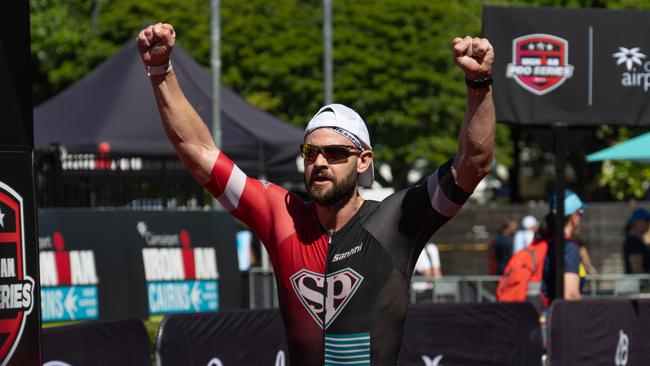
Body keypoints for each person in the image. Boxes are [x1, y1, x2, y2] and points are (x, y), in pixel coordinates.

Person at [137, 23, 495, 365]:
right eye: (310, 153)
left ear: (363, 161)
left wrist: (479, 83)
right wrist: (160, 71)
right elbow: (198, 151)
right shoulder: (281, 214)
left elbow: (473, 163)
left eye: (336, 153)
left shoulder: (395, 221)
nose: (320, 162)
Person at [541, 190, 586, 303]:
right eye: (581, 212)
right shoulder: (568, 248)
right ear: (573, 217)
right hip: (556, 317)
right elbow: (570, 295)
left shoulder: (546, 243)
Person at [623, 208, 650, 273]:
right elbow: (637, 270)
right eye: (647, 221)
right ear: (637, 222)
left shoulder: (638, 241)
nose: (648, 224)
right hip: (636, 282)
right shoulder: (633, 242)